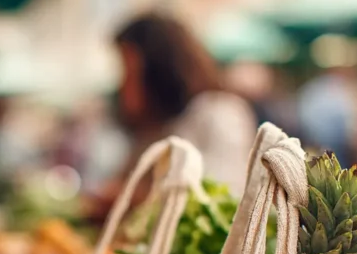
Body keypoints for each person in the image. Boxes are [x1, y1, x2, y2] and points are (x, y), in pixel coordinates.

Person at [107, 13, 255, 198]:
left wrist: (139, 197)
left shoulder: (219, 113)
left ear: (158, 70)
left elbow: (222, 192)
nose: (122, 85)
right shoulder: (153, 130)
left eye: (129, 72)